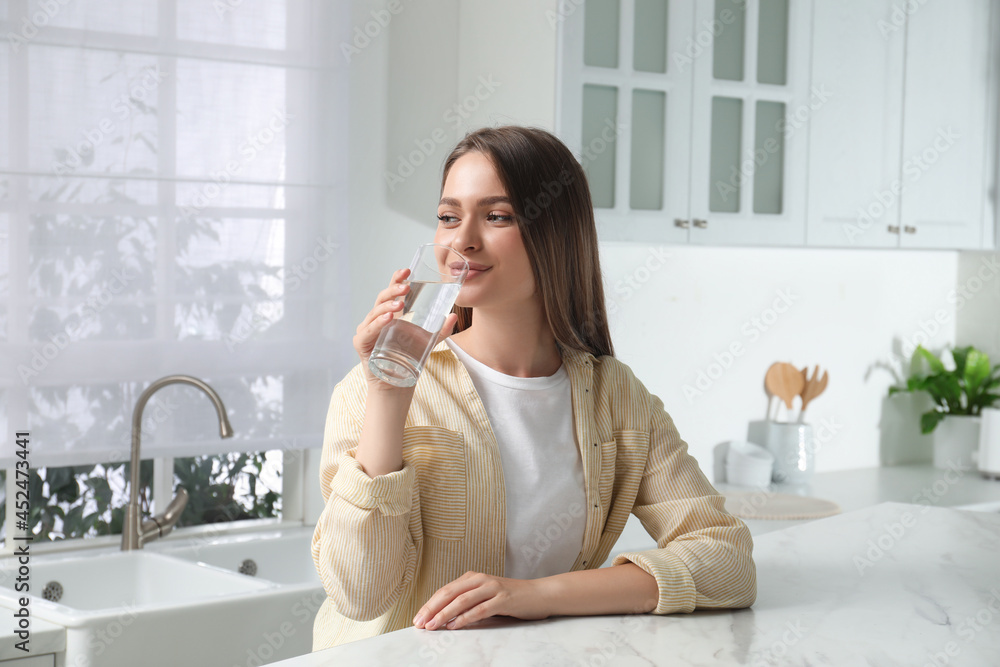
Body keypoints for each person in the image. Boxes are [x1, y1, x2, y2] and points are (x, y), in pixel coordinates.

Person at [311, 126, 756, 651]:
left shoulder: (615, 397)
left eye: (496, 216)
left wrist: (539, 595)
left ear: (556, 232)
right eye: (449, 217)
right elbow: (359, 596)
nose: (461, 241)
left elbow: (727, 562)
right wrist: (389, 395)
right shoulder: (368, 391)